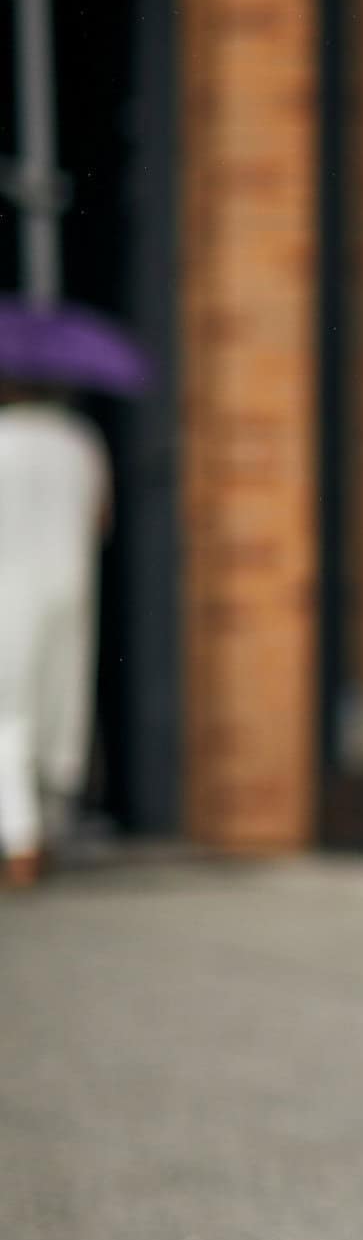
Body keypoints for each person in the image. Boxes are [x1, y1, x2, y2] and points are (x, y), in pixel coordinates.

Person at [0, 380, 111, 888]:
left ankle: (20, 840)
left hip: (9, 590)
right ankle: (45, 831)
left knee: (8, 712)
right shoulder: (81, 440)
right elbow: (100, 519)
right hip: (71, 589)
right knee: (60, 711)